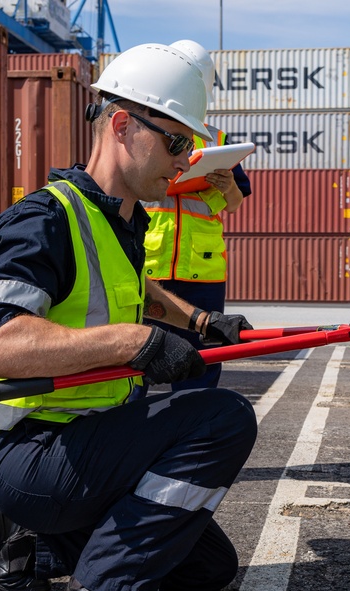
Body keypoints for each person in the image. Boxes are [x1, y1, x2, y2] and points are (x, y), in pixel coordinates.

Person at [0, 43, 257, 591]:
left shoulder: (121, 220)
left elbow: (131, 292)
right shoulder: (39, 221)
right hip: (28, 444)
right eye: (176, 145)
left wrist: (199, 320)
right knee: (222, 417)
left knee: (207, 569)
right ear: (123, 125)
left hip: (80, 437)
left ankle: (39, 543)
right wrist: (137, 343)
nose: (184, 164)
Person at [140, 39, 252, 392]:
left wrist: (225, 184)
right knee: (134, 363)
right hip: (149, 268)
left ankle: (194, 431)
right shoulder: (145, 132)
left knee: (201, 366)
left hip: (201, 271)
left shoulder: (217, 141)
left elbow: (234, 203)